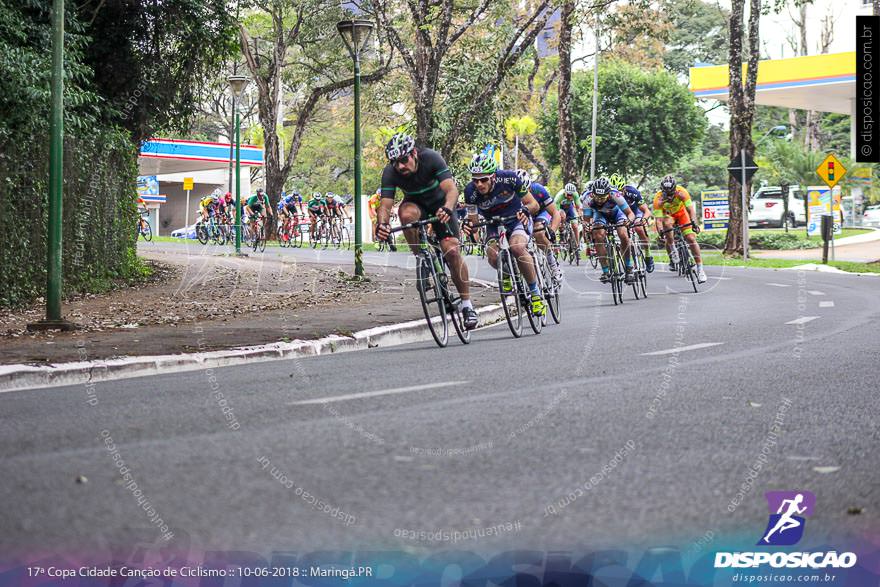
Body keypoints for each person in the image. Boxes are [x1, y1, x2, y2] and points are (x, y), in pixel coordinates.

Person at [375, 133, 478, 329]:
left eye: (404, 160)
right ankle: (420, 257)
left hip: (441, 206)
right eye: (395, 163)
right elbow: (386, 205)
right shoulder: (390, 172)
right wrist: (382, 224)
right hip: (416, 205)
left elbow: (452, 190)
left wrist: (448, 207)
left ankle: (467, 305)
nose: (400, 166)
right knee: (405, 215)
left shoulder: (431, 158)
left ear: (414, 153)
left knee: (452, 251)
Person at [462, 153, 544, 317]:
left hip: (516, 219)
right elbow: (474, 222)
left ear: (493, 176)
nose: (479, 184)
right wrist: (469, 226)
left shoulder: (509, 179)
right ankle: (506, 272)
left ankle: (535, 294)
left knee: (517, 247)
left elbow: (533, 204)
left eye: (484, 179)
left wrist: (525, 210)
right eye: (475, 180)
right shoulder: (470, 191)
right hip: (494, 223)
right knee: (493, 256)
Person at [653, 175, 706, 283]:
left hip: (682, 214)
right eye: (666, 194)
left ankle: (700, 269)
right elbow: (658, 220)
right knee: (667, 224)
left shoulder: (682, 192)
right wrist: (661, 232)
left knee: (691, 239)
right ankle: (673, 249)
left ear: (675, 190)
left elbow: (691, 210)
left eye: (671, 194)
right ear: (662, 191)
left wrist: (695, 223)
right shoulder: (658, 199)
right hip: (668, 216)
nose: (669, 197)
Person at [583, 177, 636, 284]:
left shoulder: (616, 195)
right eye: (597, 197)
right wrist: (587, 227)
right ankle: (606, 271)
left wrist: (628, 221)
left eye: (602, 198)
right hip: (600, 215)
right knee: (598, 235)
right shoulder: (587, 199)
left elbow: (630, 214)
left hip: (617, 213)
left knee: (623, 234)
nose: (599, 200)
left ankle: (629, 267)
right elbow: (586, 221)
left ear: (608, 194)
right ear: (592, 194)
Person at [609, 173, 655, 273]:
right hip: (623, 215)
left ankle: (648, 255)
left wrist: (644, 219)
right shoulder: (611, 196)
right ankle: (627, 262)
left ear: (624, 188)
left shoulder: (632, 192)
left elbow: (646, 211)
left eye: (621, 191)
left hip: (636, 212)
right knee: (623, 237)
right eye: (617, 192)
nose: (619, 194)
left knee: (639, 228)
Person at [522, 172, 562, 283]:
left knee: (539, 232)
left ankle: (552, 263)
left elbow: (555, 212)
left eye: (527, 190)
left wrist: (552, 231)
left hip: (541, 213)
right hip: (526, 215)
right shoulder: (512, 194)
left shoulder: (538, 189)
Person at [553, 182, 583, 259]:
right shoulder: (559, 197)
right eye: (568, 195)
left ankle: (577, 246)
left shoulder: (575, 194)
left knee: (575, 226)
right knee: (562, 215)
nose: (570, 197)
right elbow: (556, 212)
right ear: (565, 192)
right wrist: (560, 223)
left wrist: (580, 217)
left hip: (569, 208)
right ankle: (562, 233)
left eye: (571, 195)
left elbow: (578, 207)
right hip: (561, 208)